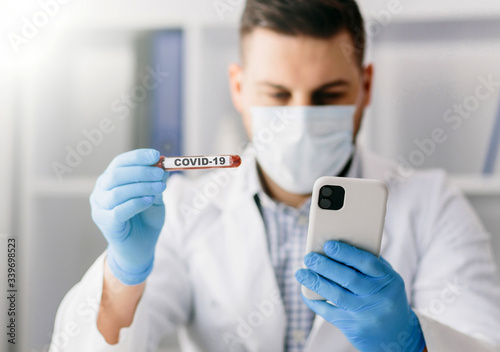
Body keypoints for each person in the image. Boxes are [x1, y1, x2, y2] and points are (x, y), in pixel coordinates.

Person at [50, 1, 500, 351]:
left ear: (365, 87)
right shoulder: (184, 211)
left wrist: (410, 341)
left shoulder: (433, 205)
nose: (300, 119)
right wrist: (123, 273)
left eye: (328, 95)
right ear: (239, 88)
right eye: (278, 94)